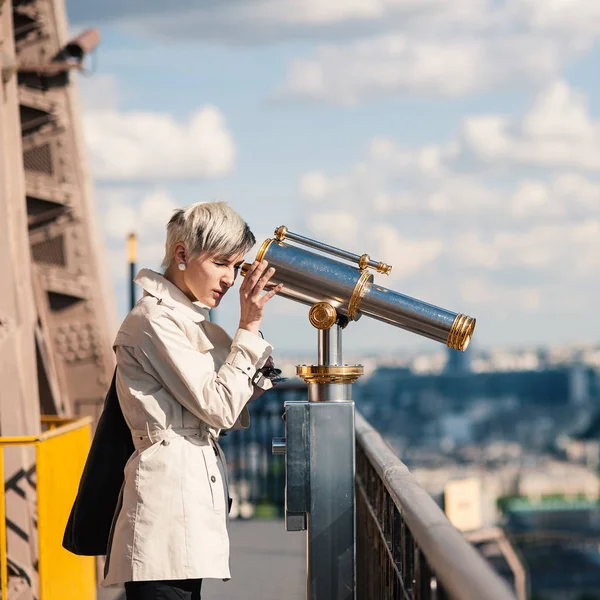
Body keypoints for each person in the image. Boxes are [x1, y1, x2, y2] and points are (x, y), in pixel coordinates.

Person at [102, 201, 283, 600]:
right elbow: (218, 405)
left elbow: (221, 412)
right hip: (166, 521)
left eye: (237, 267)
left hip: (183, 521)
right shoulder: (153, 321)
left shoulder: (183, 321)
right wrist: (249, 327)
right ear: (182, 254)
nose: (230, 279)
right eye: (222, 263)